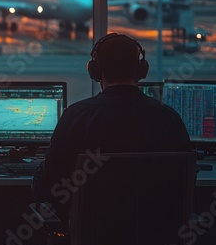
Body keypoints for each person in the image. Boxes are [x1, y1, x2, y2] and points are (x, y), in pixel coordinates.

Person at [32, 32, 191, 218]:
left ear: (95, 71)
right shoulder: (169, 118)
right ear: (141, 71)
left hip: (92, 239)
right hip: (156, 238)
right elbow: (185, 180)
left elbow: (48, 187)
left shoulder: (76, 116)